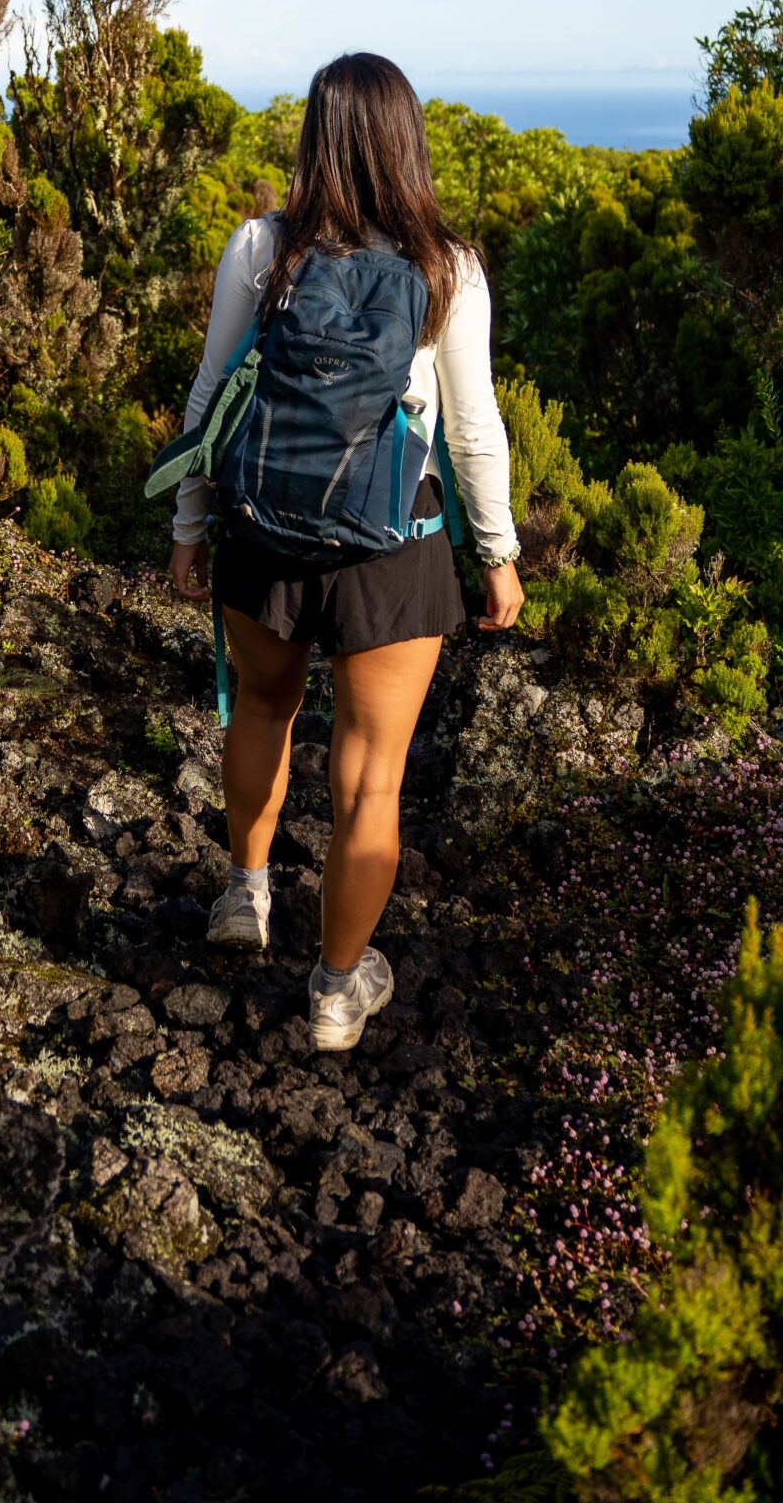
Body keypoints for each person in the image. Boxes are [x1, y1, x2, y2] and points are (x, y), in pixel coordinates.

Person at [168, 52, 523, 1053]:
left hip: (264, 537)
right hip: (393, 553)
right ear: (407, 139)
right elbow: (474, 431)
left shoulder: (261, 247)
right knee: (370, 781)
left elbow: (211, 397)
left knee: (264, 709)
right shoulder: (444, 265)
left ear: (314, 136)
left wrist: (190, 527)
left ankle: (246, 889)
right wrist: (494, 553)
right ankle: (333, 992)